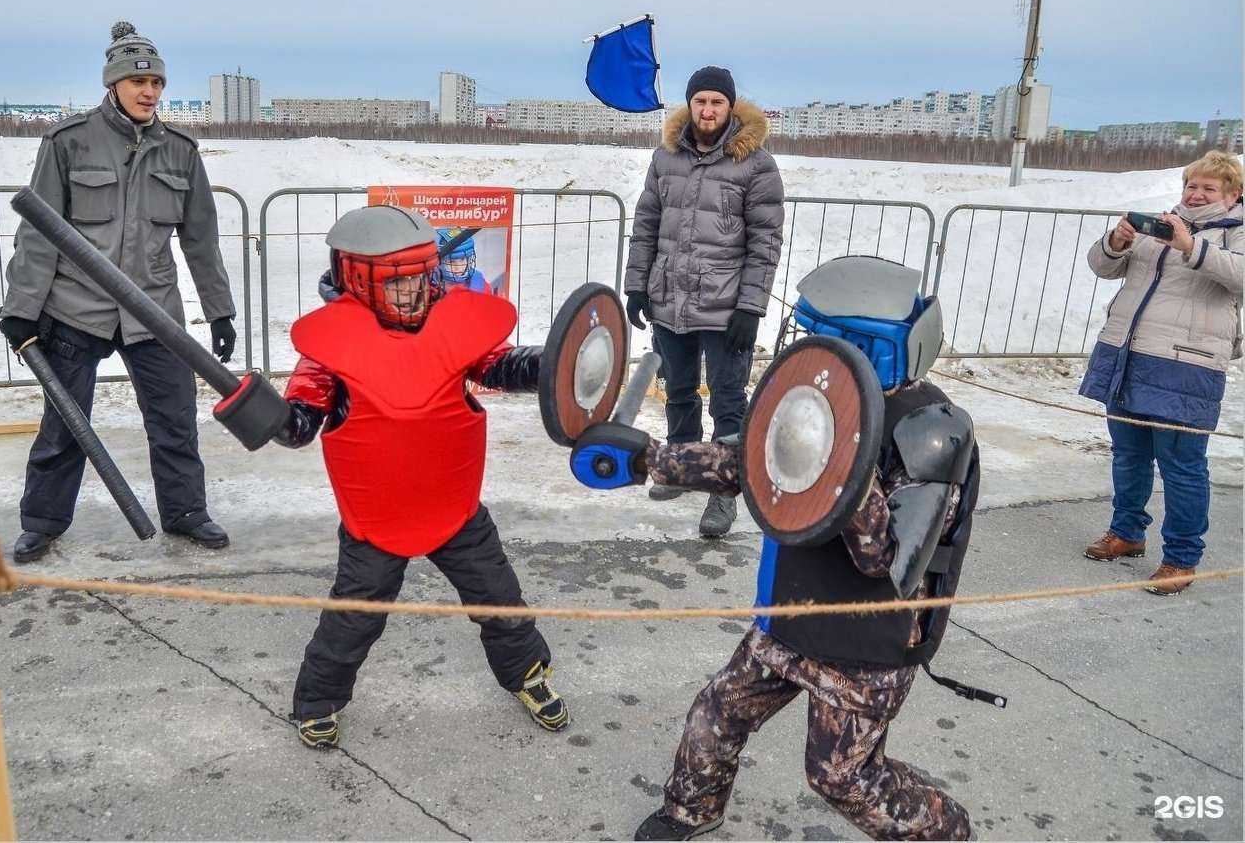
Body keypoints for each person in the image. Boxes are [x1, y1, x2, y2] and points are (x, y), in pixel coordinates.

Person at [573, 257, 979, 841]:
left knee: (843, 778)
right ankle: (692, 809)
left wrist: (845, 464)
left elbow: (885, 562)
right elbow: (750, 463)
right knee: (716, 714)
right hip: (791, 616)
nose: (805, 345)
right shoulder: (815, 399)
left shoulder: (934, 435)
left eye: (823, 337)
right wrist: (645, 460)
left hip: (865, 643)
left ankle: (947, 831)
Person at [278, 205, 566, 750]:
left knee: (497, 596)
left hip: (452, 505)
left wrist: (554, 363)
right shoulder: (329, 351)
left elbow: (498, 364)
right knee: (356, 615)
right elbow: (298, 422)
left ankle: (528, 675)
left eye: (421, 281)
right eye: (399, 286)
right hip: (378, 516)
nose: (414, 295)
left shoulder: (448, 325)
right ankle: (317, 700)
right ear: (360, 283)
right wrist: (266, 415)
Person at [0, 21, 237, 563]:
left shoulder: (180, 151)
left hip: (153, 311)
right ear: (113, 84)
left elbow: (201, 239)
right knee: (64, 423)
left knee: (174, 419)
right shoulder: (70, 141)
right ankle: (42, 522)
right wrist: (22, 309)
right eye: (138, 81)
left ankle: (185, 513)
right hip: (75, 308)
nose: (149, 91)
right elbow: (38, 231)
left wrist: (219, 311)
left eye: (156, 82)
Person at [623, 65, 785, 538]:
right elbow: (647, 224)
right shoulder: (665, 157)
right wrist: (637, 286)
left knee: (728, 401)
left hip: (725, 306)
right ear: (689, 105)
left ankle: (723, 490)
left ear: (730, 107)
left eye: (716, 102)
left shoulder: (755, 164)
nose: (708, 110)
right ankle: (681, 468)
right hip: (670, 297)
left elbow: (765, 242)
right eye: (701, 102)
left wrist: (750, 308)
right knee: (677, 389)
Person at [1078, 150, 1243, 595]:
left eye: (1209, 188)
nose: (1197, 193)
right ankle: (1127, 532)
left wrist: (1192, 246)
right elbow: (1102, 267)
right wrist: (1117, 240)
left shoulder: (1234, 235)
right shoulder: (1163, 224)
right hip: (1130, 356)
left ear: (1233, 194)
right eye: (1192, 185)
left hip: (1186, 364)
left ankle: (1181, 558)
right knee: (1128, 455)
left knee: (1183, 467)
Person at [435, 226, 491, 293]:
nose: (458, 267)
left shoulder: (479, 283)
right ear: (439, 262)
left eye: (462, 259)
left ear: (469, 258)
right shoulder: (431, 283)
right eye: (451, 261)